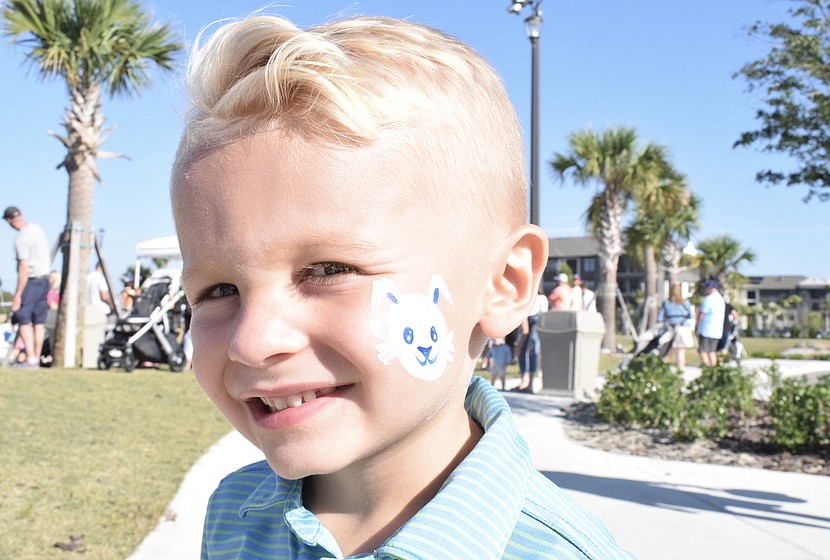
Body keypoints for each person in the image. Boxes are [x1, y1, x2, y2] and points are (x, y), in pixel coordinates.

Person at [171, 14, 633, 559]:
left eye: (326, 270)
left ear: (504, 285)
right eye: (218, 290)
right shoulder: (235, 512)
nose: (252, 340)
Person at [3, 206, 50, 368]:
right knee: (39, 321)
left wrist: (17, 294)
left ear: (9, 221)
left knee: (23, 318)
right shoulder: (37, 229)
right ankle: (35, 358)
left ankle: (31, 359)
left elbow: (23, 266)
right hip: (45, 281)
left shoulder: (21, 238)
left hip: (30, 281)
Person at [657, 282, 694, 369]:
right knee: (680, 352)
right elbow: (690, 315)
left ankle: (661, 371)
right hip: (682, 328)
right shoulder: (685, 302)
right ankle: (680, 373)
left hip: (670, 329)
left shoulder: (666, 303)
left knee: (667, 352)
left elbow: (659, 318)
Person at [696, 279, 726, 366]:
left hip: (706, 329)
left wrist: (696, 324)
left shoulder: (708, 299)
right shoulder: (720, 299)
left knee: (702, 350)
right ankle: (713, 369)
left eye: (705, 288)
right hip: (717, 330)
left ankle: (707, 369)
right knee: (712, 351)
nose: (704, 290)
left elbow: (701, 314)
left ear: (709, 288)